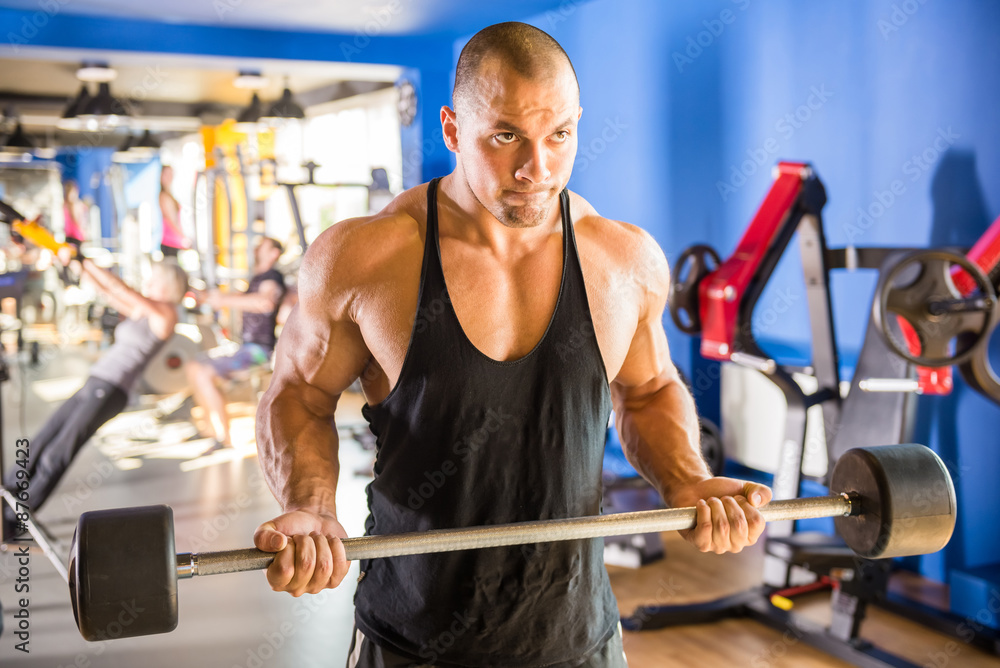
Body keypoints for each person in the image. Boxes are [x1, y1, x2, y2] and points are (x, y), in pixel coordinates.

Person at [254, 22, 773, 668]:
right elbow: (299, 395)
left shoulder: (623, 260)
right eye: (506, 137)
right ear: (452, 131)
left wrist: (686, 478)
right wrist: (308, 506)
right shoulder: (366, 258)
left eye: (559, 135)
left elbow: (648, 390)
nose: (537, 169)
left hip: (578, 640)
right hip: (411, 641)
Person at [1, 254, 188, 539]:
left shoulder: (166, 315)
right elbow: (109, 292)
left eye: (154, 279)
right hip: (97, 380)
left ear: (167, 285)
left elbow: (122, 288)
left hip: (112, 390)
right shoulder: (144, 311)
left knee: (59, 452)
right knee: (41, 440)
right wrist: (78, 265)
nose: (148, 282)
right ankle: (5, 495)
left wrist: (85, 259)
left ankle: (14, 520)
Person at [186, 236, 285, 450]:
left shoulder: (272, 277)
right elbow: (241, 298)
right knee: (193, 366)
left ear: (274, 253)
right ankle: (209, 429)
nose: (256, 246)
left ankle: (224, 438)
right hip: (244, 347)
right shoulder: (257, 278)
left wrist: (223, 300)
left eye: (263, 245)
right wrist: (209, 297)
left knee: (204, 373)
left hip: (259, 351)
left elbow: (265, 302)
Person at [159, 165, 189, 258]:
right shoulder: (164, 197)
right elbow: (173, 221)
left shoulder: (170, 195)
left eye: (171, 174)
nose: (169, 177)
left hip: (174, 242)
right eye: (166, 174)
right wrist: (184, 238)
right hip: (170, 242)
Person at [62, 180, 87, 253]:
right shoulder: (65, 205)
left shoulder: (78, 205)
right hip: (68, 237)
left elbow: (81, 222)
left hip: (77, 237)